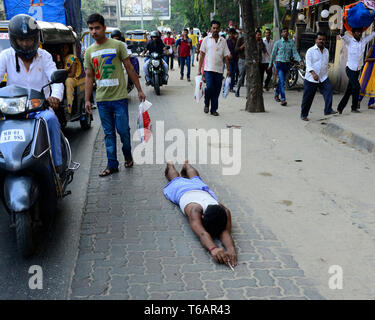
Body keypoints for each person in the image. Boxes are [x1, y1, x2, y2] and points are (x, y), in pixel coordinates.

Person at [84, 13, 146, 177]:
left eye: (97, 28)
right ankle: (112, 164)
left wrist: (139, 90)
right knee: (108, 134)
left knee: (123, 131)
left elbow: (130, 68)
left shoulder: (118, 45)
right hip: (102, 100)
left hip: (119, 98)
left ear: (104, 28)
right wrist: (87, 100)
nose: (94, 32)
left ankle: (128, 155)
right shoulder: (89, 52)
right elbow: (89, 77)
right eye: (91, 29)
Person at [0, 14, 63, 171]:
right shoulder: (5, 56)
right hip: (12, 111)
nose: (25, 44)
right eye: (21, 40)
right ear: (14, 40)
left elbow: (56, 79)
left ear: (36, 38)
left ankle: (57, 165)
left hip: (39, 109)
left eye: (29, 39)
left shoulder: (45, 56)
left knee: (51, 120)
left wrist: (55, 96)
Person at [164, 161, 237, 267]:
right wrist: (213, 249)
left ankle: (186, 165)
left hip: (202, 191)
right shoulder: (195, 210)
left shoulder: (224, 211)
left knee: (196, 179)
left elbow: (225, 231)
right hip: (182, 190)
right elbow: (202, 233)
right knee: (175, 179)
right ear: (202, 217)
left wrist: (231, 250)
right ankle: (171, 165)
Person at [300, 32, 337, 121]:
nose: (321, 41)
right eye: (319, 39)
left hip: (323, 77)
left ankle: (328, 110)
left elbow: (324, 62)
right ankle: (304, 114)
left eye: (323, 39)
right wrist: (313, 73)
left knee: (329, 89)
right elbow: (308, 64)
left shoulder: (326, 51)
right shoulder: (310, 51)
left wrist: (326, 66)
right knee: (308, 97)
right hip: (311, 79)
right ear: (316, 40)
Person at [337, 27, 375, 114]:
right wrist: (343, 24)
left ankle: (340, 108)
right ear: (353, 33)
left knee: (349, 90)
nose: (359, 33)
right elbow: (342, 34)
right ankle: (354, 108)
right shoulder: (349, 41)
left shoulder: (363, 41)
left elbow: (373, 34)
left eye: (360, 32)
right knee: (357, 87)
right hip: (350, 69)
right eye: (357, 32)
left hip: (358, 69)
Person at [198, 20, 230, 116]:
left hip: (219, 70)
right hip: (208, 69)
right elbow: (202, 55)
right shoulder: (206, 40)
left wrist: (228, 69)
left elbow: (226, 56)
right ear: (211, 29)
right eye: (214, 28)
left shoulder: (223, 41)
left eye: (217, 28)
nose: (215, 30)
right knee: (209, 88)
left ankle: (214, 109)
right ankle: (206, 103)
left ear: (219, 29)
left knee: (217, 90)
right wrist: (199, 70)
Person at [268, 27, 301, 106]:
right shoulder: (278, 43)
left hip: (287, 65)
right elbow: (273, 54)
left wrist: (300, 60)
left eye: (286, 32)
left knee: (281, 81)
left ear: (288, 33)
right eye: (283, 32)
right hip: (279, 64)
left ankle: (276, 94)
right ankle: (283, 99)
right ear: (281, 34)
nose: (285, 33)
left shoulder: (291, 43)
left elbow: (295, 53)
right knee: (282, 82)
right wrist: (270, 64)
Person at [60, 43, 81, 114]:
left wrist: (61, 77)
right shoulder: (59, 57)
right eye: (62, 48)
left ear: (68, 49)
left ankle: (69, 107)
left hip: (73, 79)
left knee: (68, 81)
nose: (63, 50)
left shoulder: (72, 58)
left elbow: (72, 74)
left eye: (65, 48)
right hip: (61, 78)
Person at [358, 43, 375, 109]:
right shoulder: (372, 48)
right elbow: (366, 59)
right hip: (370, 68)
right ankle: (358, 101)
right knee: (364, 85)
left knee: (374, 86)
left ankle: (371, 104)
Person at [227, 28, 238, 92]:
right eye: (230, 33)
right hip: (229, 60)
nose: (231, 35)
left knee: (234, 73)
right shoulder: (227, 41)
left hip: (235, 59)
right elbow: (225, 50)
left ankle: (231, 87)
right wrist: (228, 54)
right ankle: (228, 85)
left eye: (232, 33)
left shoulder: (236, 41)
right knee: (230, 72)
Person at [235, 32, 246, 97]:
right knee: (241, 76)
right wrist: (242, 47)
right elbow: (236, 49)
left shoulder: (252, 39)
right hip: (242, 59)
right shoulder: (241, 39)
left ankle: (248, 94)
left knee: (249, 77)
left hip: (249, 60)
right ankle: (237, 90)